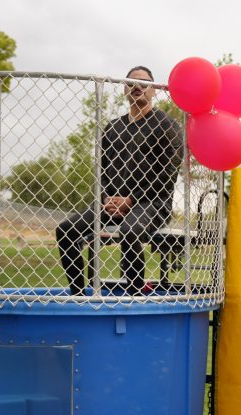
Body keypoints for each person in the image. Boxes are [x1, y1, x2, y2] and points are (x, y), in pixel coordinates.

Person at [56, 66, 184, 295]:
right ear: (124, 88)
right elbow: (102, 170)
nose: (137, 87)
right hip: (112, 202)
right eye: (131, 82)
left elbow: (167, 176)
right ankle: (77, 294)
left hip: (152, 204)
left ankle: (135, 294)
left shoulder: (167, 126)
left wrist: (131, 200)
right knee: (66, 230)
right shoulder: (113, 127)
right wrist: (107, 198)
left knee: (129, 231)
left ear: (153, 90)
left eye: (144, 83)